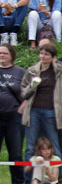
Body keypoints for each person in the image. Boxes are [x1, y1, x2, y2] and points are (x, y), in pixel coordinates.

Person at [21, 43, 62, 173]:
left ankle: (58, 179)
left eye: (46, 54)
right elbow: (23, 94)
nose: (43, 57)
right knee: (30, 146)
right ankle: (30, 181)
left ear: (53, 57)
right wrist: (32, 86)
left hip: (52, 112)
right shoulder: (32, 70)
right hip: (33, 112)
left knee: (54, 145)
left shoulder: (59, 71)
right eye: (41, 54)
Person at [0, 43, 26, 184]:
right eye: (0, 53)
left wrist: (21, 109)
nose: (2, 56)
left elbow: (29, 93)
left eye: (5, 53)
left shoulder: (21, 72)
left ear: (11, 55)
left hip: (14, 116)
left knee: (16, 152)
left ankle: (19, 183)